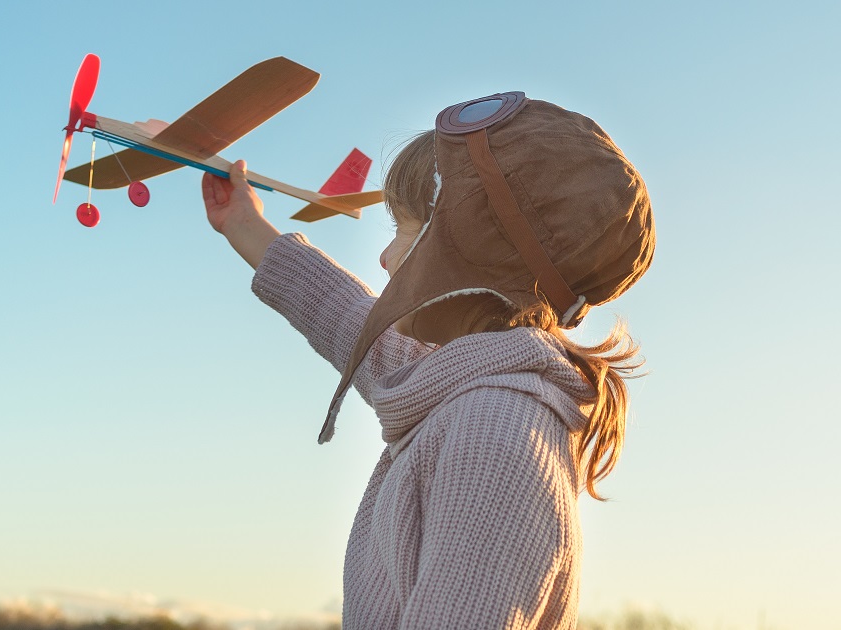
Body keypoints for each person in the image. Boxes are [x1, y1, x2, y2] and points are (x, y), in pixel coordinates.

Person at [200, 93, 655, 629]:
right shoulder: (470, 390)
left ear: (470, 246)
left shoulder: (495, 434)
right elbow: (351, 322)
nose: (384, 258)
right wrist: (244, 224)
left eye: (404, 229)